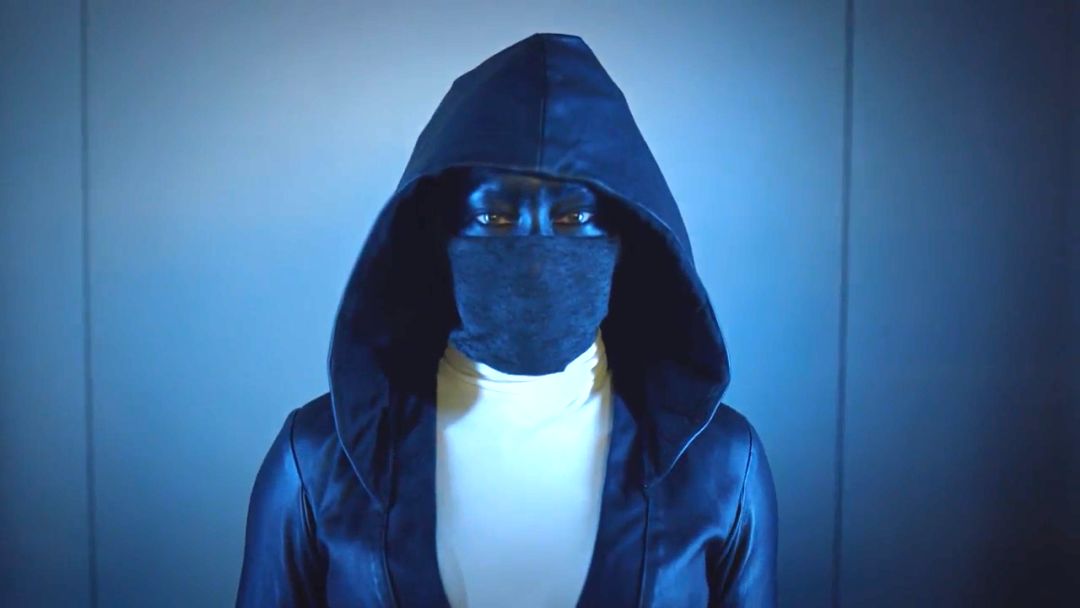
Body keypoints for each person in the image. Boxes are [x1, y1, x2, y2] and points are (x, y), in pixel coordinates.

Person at [236, 32, 778, 607]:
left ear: (628, 239)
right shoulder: (316, 459)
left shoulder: (722, 466)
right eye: (494, 216)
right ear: (438, 235)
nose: (536, 255)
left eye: (574, 218)